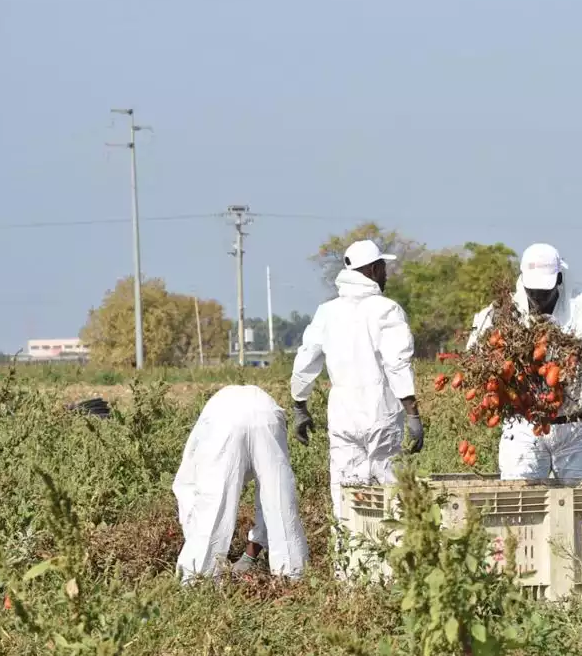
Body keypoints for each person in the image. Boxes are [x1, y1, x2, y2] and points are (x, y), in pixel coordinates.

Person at [291, 239, 424, 526]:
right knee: (389, 492)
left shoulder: (327, 312)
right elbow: (397, 363)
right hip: (381, 415)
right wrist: (412, 414)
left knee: (346, 494)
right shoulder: (386, 309)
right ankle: (391, 564)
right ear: (374, 269)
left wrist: (299, 405)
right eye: (384, 267)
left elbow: (306, 359)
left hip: (342, 416)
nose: (387, 273)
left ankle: (348, 566)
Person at [467, 243, 582, 480]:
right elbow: (474, 354)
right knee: (520, 505)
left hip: (576, 426)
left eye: (544, 291)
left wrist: (561, 346)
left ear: (558, 279)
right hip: (524, 427)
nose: (537, 297)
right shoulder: (502, 314)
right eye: (532, 290)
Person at [173, 385, 309, 583]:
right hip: (267, 412)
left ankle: (198, 578)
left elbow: (199, 504)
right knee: (278, 496)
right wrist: (251, 553)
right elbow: (269, 502)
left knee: (212, 502)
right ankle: (292, 575)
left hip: (225, 417)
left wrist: (200, 544)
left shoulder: (190, 476)